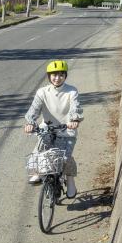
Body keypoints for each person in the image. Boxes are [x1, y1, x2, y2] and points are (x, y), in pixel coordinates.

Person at [24, 59, 82, 194]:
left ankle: (70, 180)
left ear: (65, 76)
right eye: (54, 75)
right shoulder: (42, 92)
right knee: (39, 152)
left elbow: (76, 106)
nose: (57, 78)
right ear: (49, 76)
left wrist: (74, 120)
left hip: (67, 130)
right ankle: (37, 173)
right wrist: (30, 123)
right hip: (47, 129)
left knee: (65, 158)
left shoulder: (71, 91)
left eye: (61, 74)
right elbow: (34, 109)